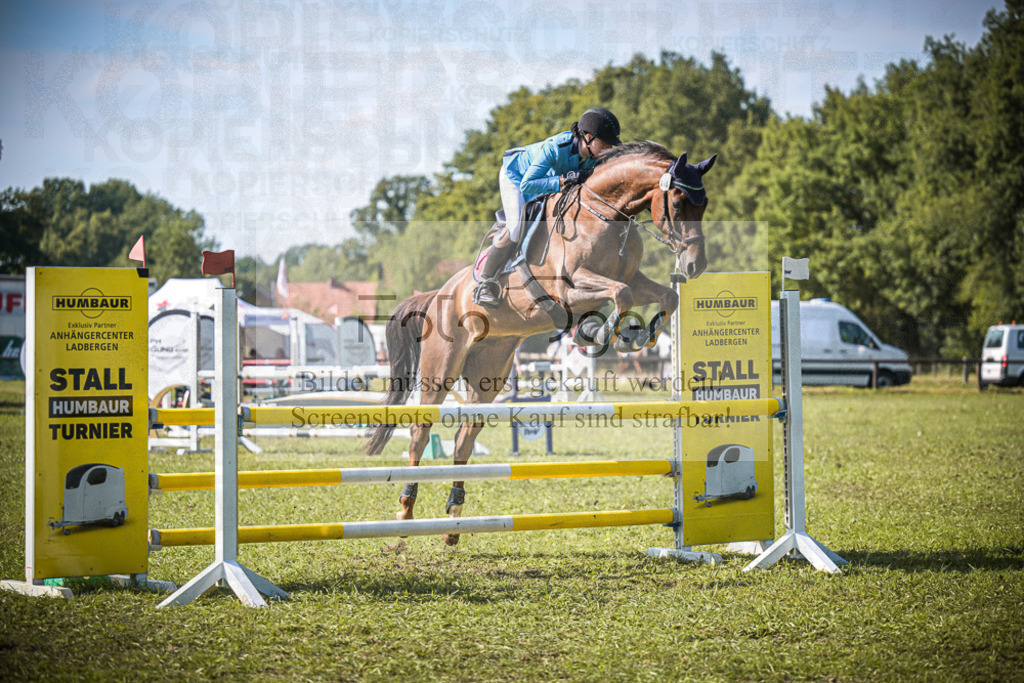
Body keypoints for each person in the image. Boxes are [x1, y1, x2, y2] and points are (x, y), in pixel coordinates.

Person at [473, 107, 623, 307]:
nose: (609, 148)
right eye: (605, 142)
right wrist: (562, 180)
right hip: (516, 177)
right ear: (588, 137)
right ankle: (485, 283)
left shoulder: (592, 157)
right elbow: (527, 184)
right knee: (516, 228)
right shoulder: (555, 148)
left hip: (543, 184)